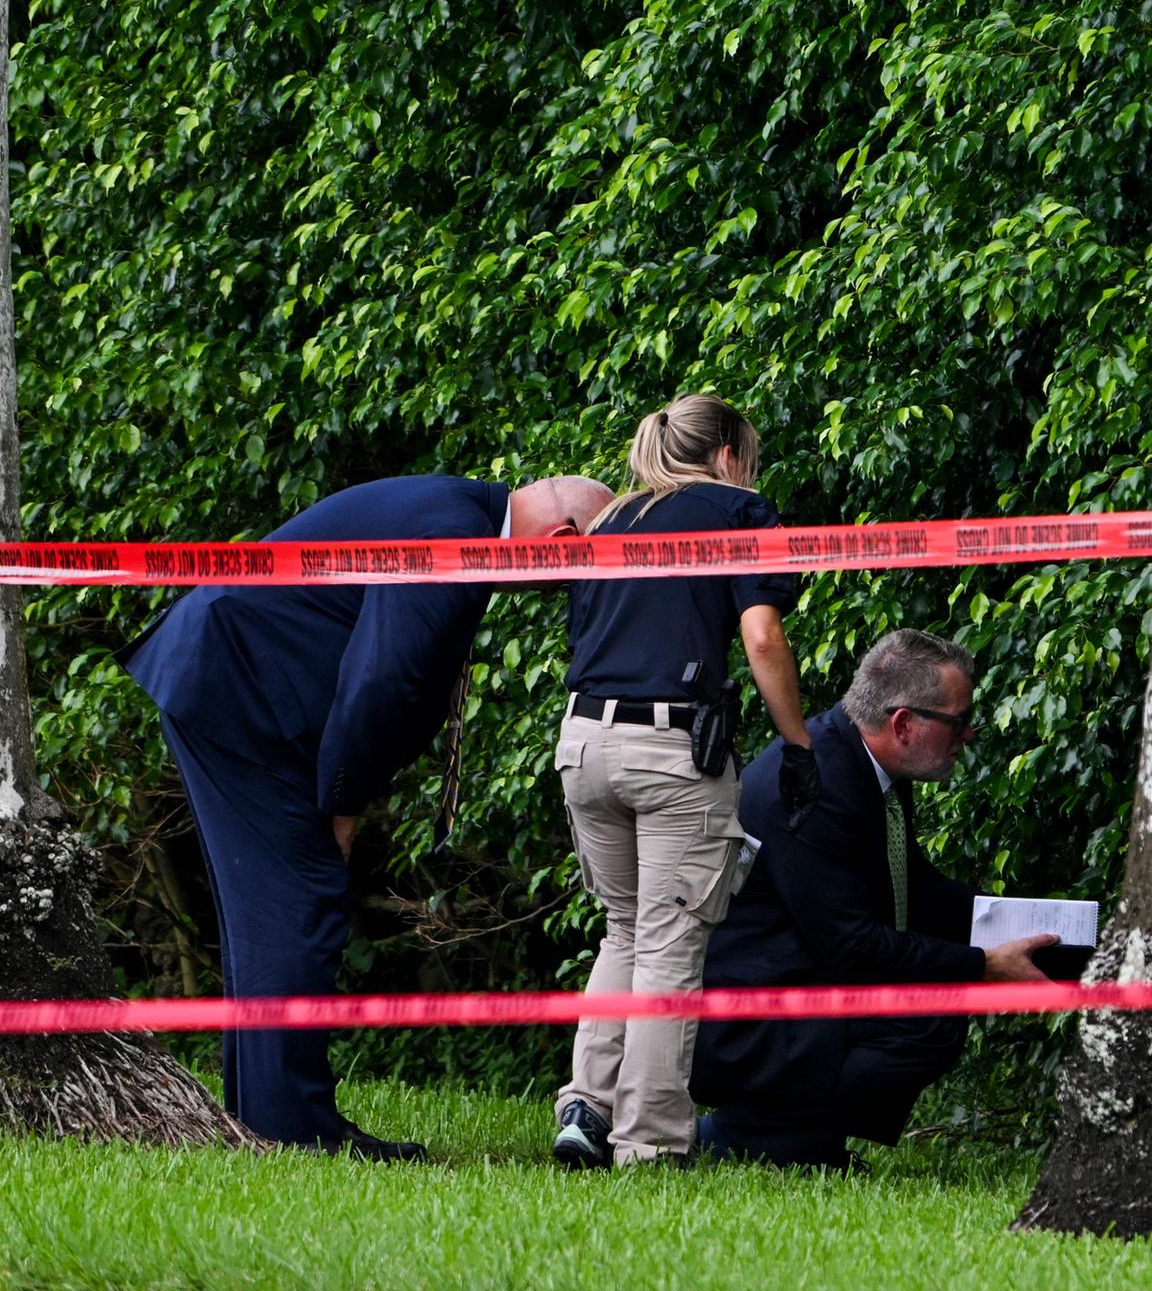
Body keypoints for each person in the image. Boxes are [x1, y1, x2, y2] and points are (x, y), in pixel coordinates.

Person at [119, 472, 613, 1160]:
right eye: (572, 576)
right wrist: (343, 804)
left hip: (239, 686)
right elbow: (384, 675)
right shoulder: (455, 534)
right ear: (561, 545)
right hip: (240, 694)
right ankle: (292, 1133)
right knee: (300, 900)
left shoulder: (458, 508)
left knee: (271, 909)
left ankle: (265, 1120)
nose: (556, 593)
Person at [551, 394, 821, 1169]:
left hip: (583, 742)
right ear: (731, 453)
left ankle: (586, 1111)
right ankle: (650, 1145)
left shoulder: (611, 520)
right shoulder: (739, 509)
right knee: (670, 943)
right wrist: (797, 745)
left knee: (625, 929)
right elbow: (762, 635)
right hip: (671, 748)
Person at [691, 629, 1056, 1170]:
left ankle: (794, 1137)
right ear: (904, 724)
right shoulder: (819, 786)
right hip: (747, 1022)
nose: (969, 735)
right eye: (957, 722)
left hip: (799, 985)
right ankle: (757, 1134)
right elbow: (854, 948)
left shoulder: (866, 760)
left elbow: (916, 889)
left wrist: (1051, 928)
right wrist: (982, 967)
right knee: (930, 1017)